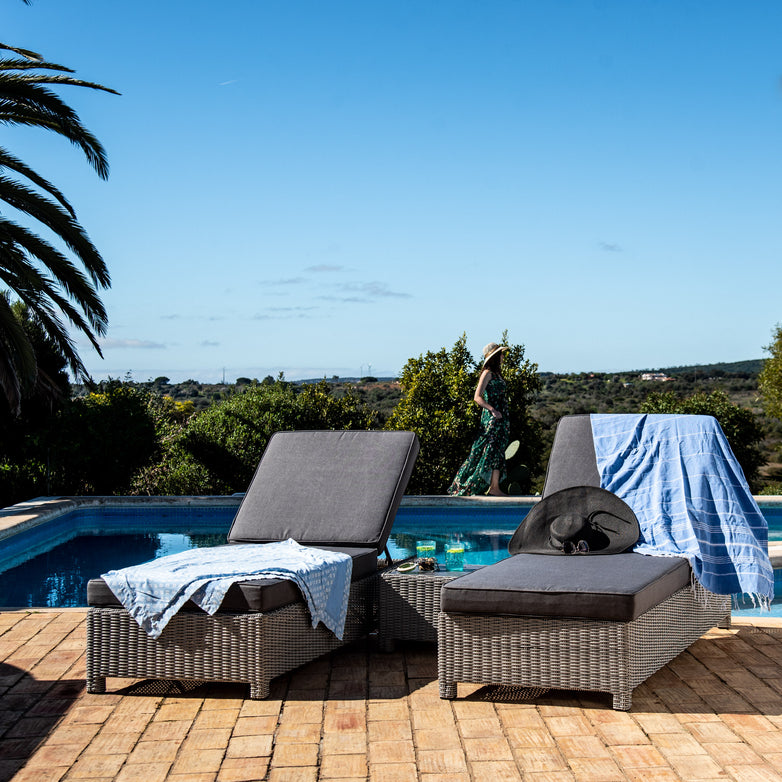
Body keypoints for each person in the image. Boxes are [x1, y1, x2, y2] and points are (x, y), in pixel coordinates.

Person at [448, 342, 510, 496]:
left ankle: (494, 487)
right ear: (494, 357)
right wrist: (492, 410)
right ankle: (465, 484)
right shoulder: (487, 373)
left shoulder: (497, 374)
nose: (503, 357)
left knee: (497, 452)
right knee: (485, 451)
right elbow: (477, 397)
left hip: (501, 419)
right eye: (501, 354)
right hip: (492, 420)